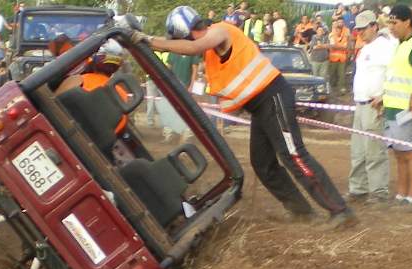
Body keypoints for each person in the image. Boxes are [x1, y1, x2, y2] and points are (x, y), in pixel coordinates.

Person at [132, 6, 357, 227]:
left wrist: (149, 39)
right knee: (262, 163)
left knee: (294, 155)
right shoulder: (210, 50)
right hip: (261, 107)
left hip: (272, 96)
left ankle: (340, 210)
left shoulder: (219, 31)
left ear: (186, 32)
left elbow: (193, 46)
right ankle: (301, 212)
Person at [374, 4, 412, 208]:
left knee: (410, 153)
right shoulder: (402, 44)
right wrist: (383, 98)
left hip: (409, 110)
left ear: (407, 21)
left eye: (394, 22)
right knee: (399, 153)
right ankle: (401, 195)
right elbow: (398, 77)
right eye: (389, 22)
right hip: (394, 108)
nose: (391, 26)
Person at [349, 11, 397, 203]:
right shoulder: (365, 49)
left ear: (374, 26)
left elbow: (393, 74)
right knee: (358, 150)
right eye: (358, 29)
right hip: (360, 104)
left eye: (363, 28)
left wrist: (385, 96)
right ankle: (358, 189)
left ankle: (378, 192)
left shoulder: (385, 47)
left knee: (374, 151)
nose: (360, 32)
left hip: (374, 105)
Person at [329, 17, 350, 94]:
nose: (340, 23)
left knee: (341, 74)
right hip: (333, 58)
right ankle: (331, 88)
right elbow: (332, 46)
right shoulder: (332, 33)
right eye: (339, 22)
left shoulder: (346, 31)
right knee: (332, 74)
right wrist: (340, 46)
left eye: (341, 22)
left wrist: (339, 46)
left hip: (342, 58)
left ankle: (341, 89)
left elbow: (346, 45)